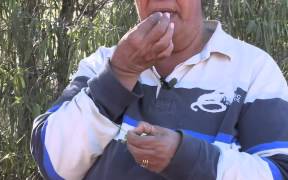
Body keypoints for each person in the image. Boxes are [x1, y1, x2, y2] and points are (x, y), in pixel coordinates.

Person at [31, 0, 288, 179]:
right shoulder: (103, 64)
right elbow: (54, 164)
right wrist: (120, 72)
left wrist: (185, 158)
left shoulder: (252, 70)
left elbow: (279, 171)